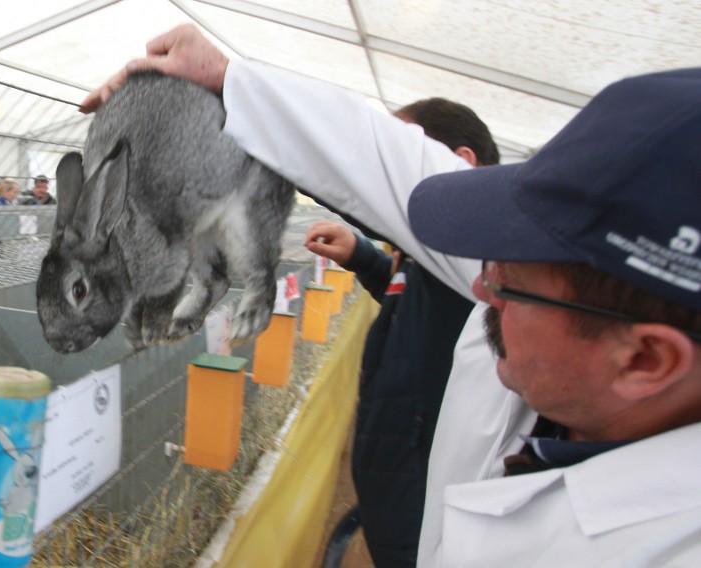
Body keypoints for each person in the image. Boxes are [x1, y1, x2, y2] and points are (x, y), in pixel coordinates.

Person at [83, 26, 700, 564]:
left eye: (510, 284)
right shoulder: (593, 317)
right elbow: (397, 169)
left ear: (645, 359)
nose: (482, 284)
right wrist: (229, 82)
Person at [304, 98, 499, 567]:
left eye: (397, 154)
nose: (382, 174)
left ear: (459, 163)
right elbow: (414, 308)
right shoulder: (432, 254)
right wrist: (362, 257)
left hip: (419, 499)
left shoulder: (472, 245)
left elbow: (353, 186)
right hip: (395, 482)